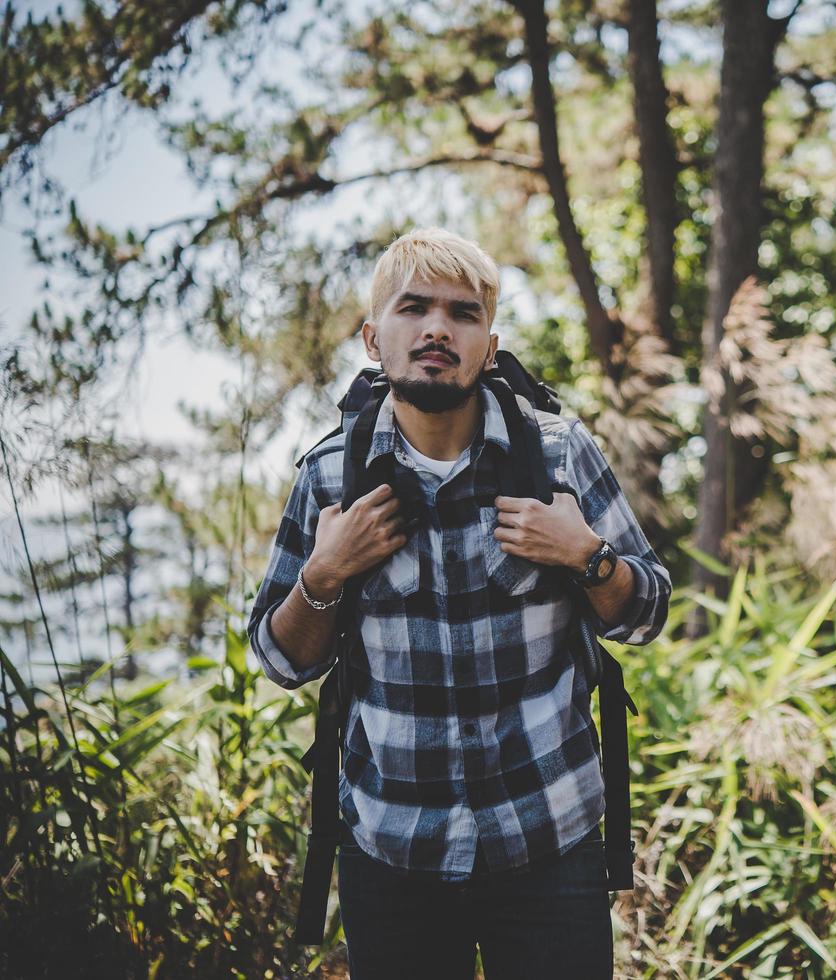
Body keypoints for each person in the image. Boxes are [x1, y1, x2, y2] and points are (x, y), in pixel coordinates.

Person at [246, 226, 670, 978]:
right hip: (393, 857)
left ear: (490, 343)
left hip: (551, 845)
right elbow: (282, 660)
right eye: (414, 308)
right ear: (375, 337)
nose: (438, 327)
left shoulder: (557, 456)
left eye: (462, 313)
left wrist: (588, 556)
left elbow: (647, 613)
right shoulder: (329, 479)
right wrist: (325, 574)